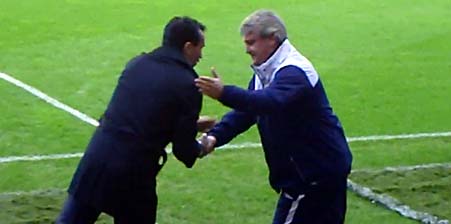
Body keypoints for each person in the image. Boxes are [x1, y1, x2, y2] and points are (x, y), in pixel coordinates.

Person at [195, 10, 353, 224]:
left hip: (312, 178)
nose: (247, 50)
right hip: (313, 174)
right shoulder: (268, 71)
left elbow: (269, 102)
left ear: (272, 38)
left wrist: (224, 93)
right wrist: (215, 136)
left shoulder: (294, 71)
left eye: (251, 42)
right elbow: (248, 111)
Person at [57, 16, 215, 223]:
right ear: (187, 47)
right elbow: (183, 151)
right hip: (133, 176)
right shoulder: (188, 85)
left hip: (96, 160)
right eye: (200, 47)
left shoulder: (137, 64)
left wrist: (191, 124)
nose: (201, 55)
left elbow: (140, 117)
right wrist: (203, 145)